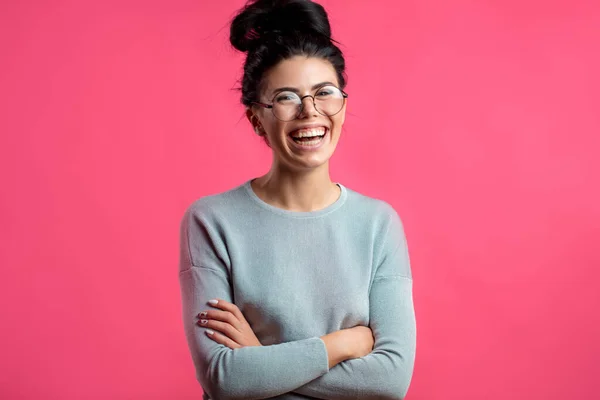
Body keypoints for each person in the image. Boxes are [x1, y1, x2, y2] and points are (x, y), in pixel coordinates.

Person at [178, 0, 416, 399]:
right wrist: (341, 345)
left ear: (342, 104)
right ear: (258, 118)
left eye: (324, 92)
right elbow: (224, 377)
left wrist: (262, 360)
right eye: (287, 97)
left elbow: (391, 379)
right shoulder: (211, 220)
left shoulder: (378, 223)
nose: (310, 111)